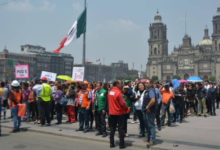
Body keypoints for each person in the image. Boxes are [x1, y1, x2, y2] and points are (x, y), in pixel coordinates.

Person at [108, 80, 129, 149]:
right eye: (121, 84)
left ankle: (111, 143)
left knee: (112, 129)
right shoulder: (118, 93)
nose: (122, 85)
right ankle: (121, 144)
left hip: (111, 113)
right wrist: (127, 108)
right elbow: (123, 103)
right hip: (119, 113)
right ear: (117, 84)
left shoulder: (110, 92)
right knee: (121, 129)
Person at [142, 80, 156, 148]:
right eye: (145, 83)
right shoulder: (147, 91)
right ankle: (148, 138)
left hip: (149, 111)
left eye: (147, 83)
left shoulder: (151, 91)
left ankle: (152, 140)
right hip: (145, 111)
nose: (145, 84)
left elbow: (153, 100)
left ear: (150, 84)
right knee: (147, 125)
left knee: (151, 125)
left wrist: (148, 107)